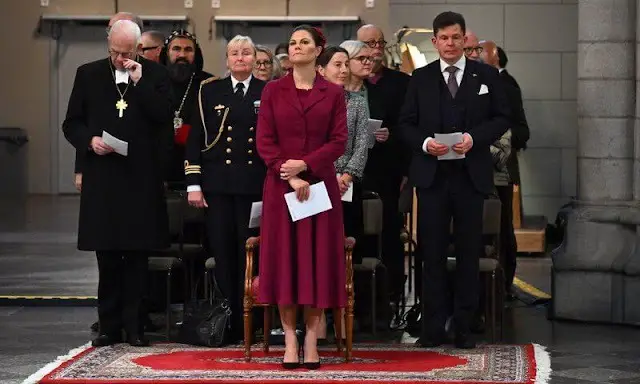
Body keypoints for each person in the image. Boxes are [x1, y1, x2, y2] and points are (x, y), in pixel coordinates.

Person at [398, 11, 509, 349]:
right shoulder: (420, 77)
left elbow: (503, 118)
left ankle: (463, 325)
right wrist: (423, 143)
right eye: (443, 38)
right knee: (429, 254)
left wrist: (475, 138)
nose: (449, 43)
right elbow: (405, 123)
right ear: (434, 42)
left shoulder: (486, 75)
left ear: (464, 40)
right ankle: (432, 327)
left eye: (455, 37)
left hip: (470, 177)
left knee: (468, 252)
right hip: (431, 178)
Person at [63, 19, 173, 347]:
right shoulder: (88, 73)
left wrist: (141, 84)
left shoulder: (155, 75)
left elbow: (165, 118)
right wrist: (90, 141)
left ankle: (135, 326)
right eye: (114, 52)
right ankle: (109, 326)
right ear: (108, 45)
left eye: (126, 53)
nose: (119, 59)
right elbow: (72, 123)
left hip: (140, 178)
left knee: (137, 258)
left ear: (139, 49)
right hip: (104, 178)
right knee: (107, 257)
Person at [256, 25, 348, 369]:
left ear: (317, 49)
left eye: (304, 42)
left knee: (317, 263)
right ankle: (290, 339)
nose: (297, 47)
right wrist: (289, 173)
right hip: (281, 188)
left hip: (320, 188)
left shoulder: (333, 93)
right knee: (285, 263)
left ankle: (312, 338)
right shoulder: (272, 91)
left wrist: (306, 164)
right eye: (293, 43)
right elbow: (264, 139)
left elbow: (338, 141)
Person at [185, 35, 266, 343]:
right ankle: (229, 318)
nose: (240, 57)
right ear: (227, 59)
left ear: (255, 58)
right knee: (223, 253)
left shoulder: (267, 90)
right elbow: (195, 141)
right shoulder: (210, 91)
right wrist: (194, 183)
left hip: (255, 187)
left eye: (246, 52)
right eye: (235, 53)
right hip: (218, 187)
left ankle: (254, 319)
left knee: (252, 254)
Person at [316, 45, 369, 340]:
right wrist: (326, 175)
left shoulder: (357, 103)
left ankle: (342, 319)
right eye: (337, 64)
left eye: (346, 64)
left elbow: (362, 143)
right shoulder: (310, 101)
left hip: (346, 187)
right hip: (315, 185)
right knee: (316, 254)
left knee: (342, 254)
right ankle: (318, 319)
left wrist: (346, 175)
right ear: (321, 70)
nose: (344, 70)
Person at [160, 29, 214, 188]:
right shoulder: (154, 80)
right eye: (176, 49)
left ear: (196, 54)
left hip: (198, 167)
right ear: (166, 52)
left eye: (188, 49)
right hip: (160, 165)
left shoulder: (208, 84)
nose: (182, 54)